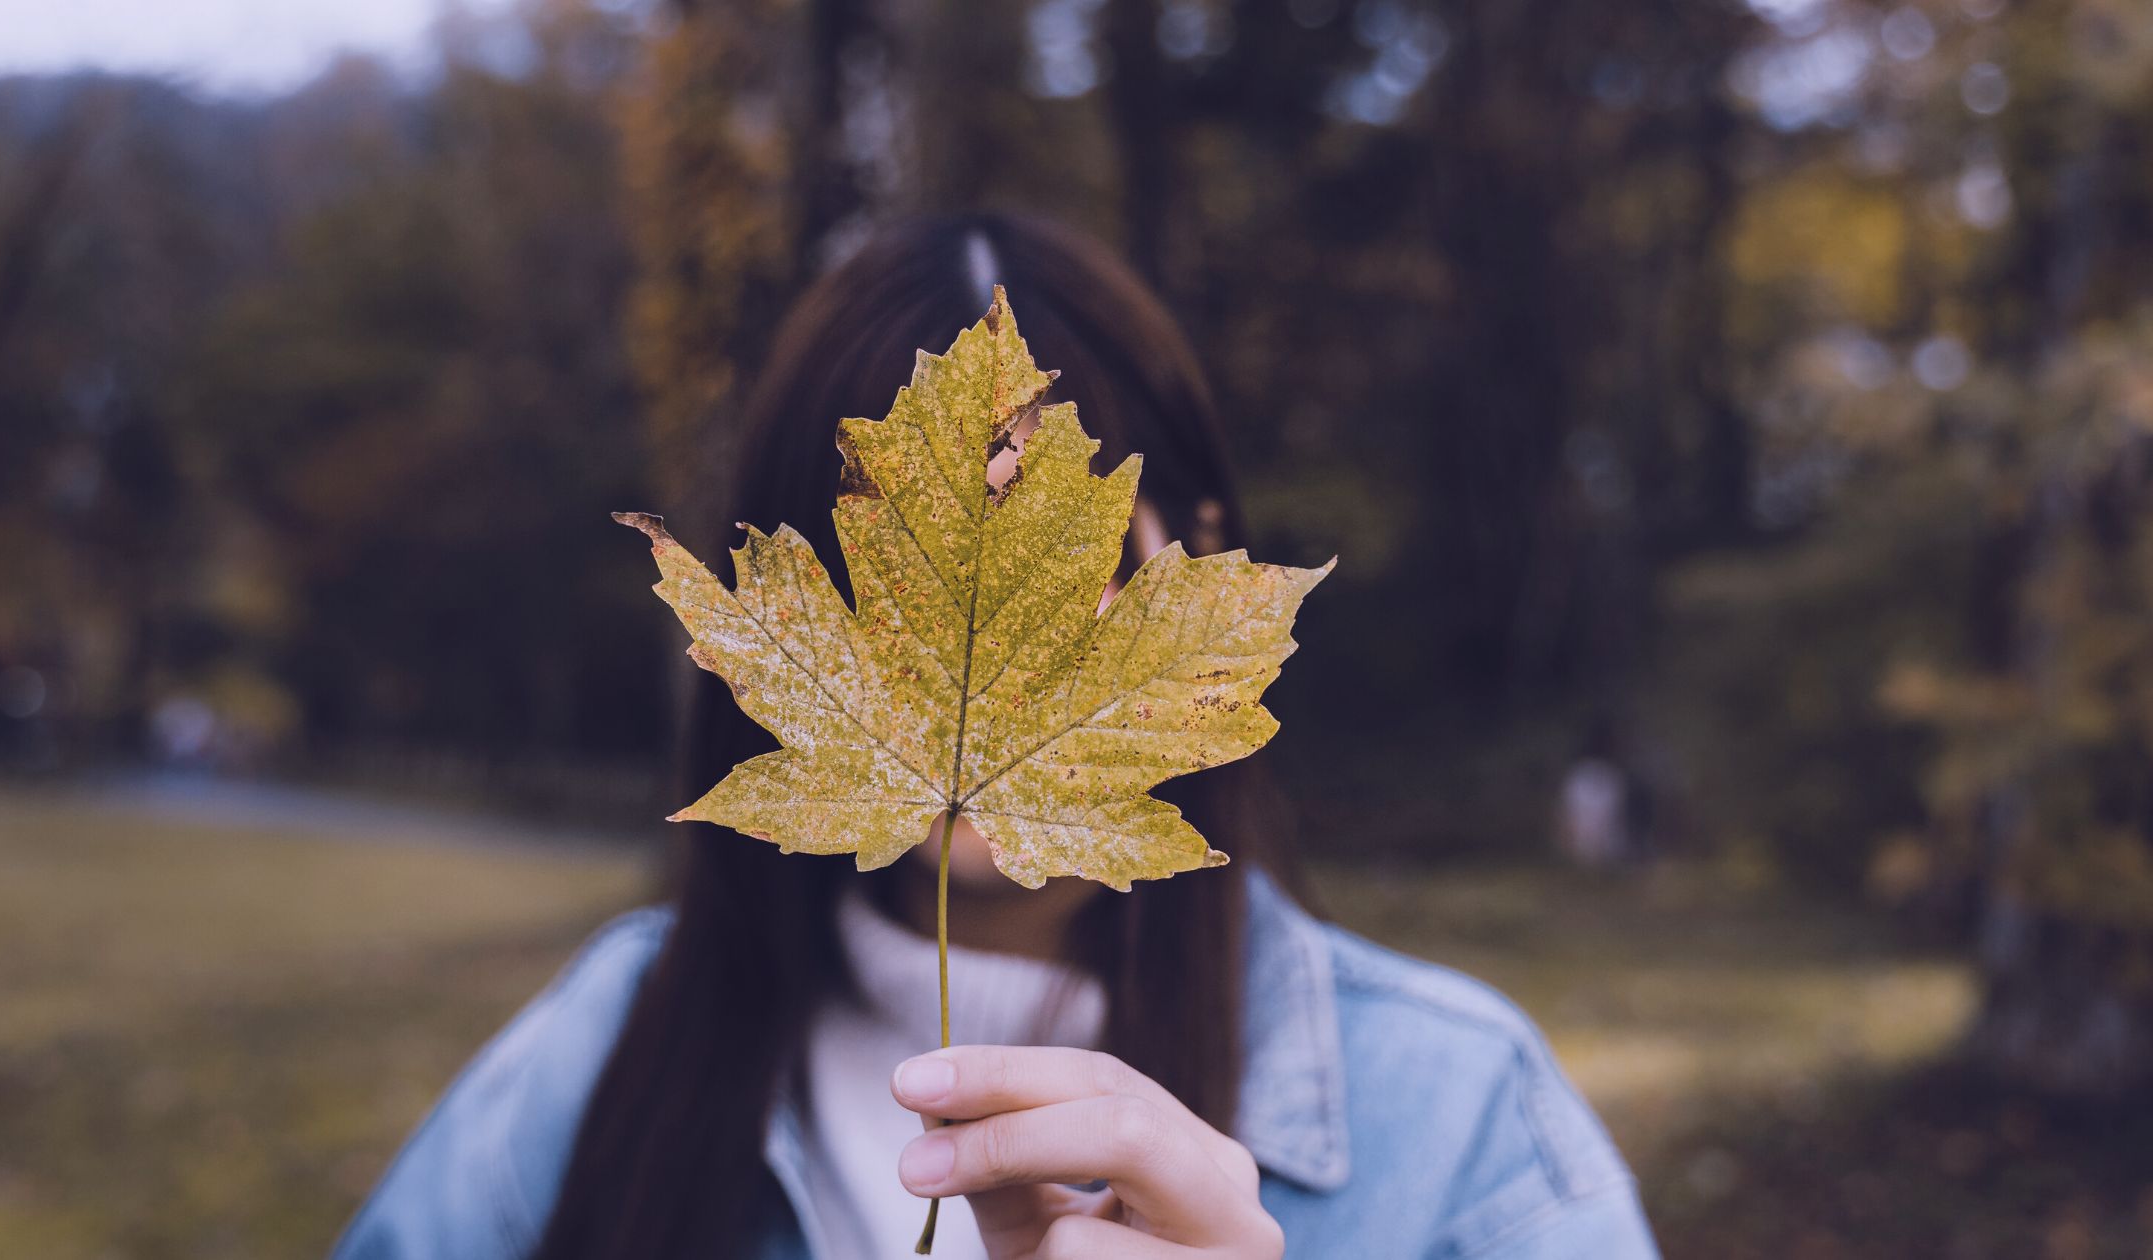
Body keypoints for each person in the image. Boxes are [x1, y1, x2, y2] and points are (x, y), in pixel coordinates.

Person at [331, 212, 1660, 1259]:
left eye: (1064, 533)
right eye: (878, 549)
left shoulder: (1461, 1115)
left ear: (1194, 554)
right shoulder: (601, 1060)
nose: (967, 660)